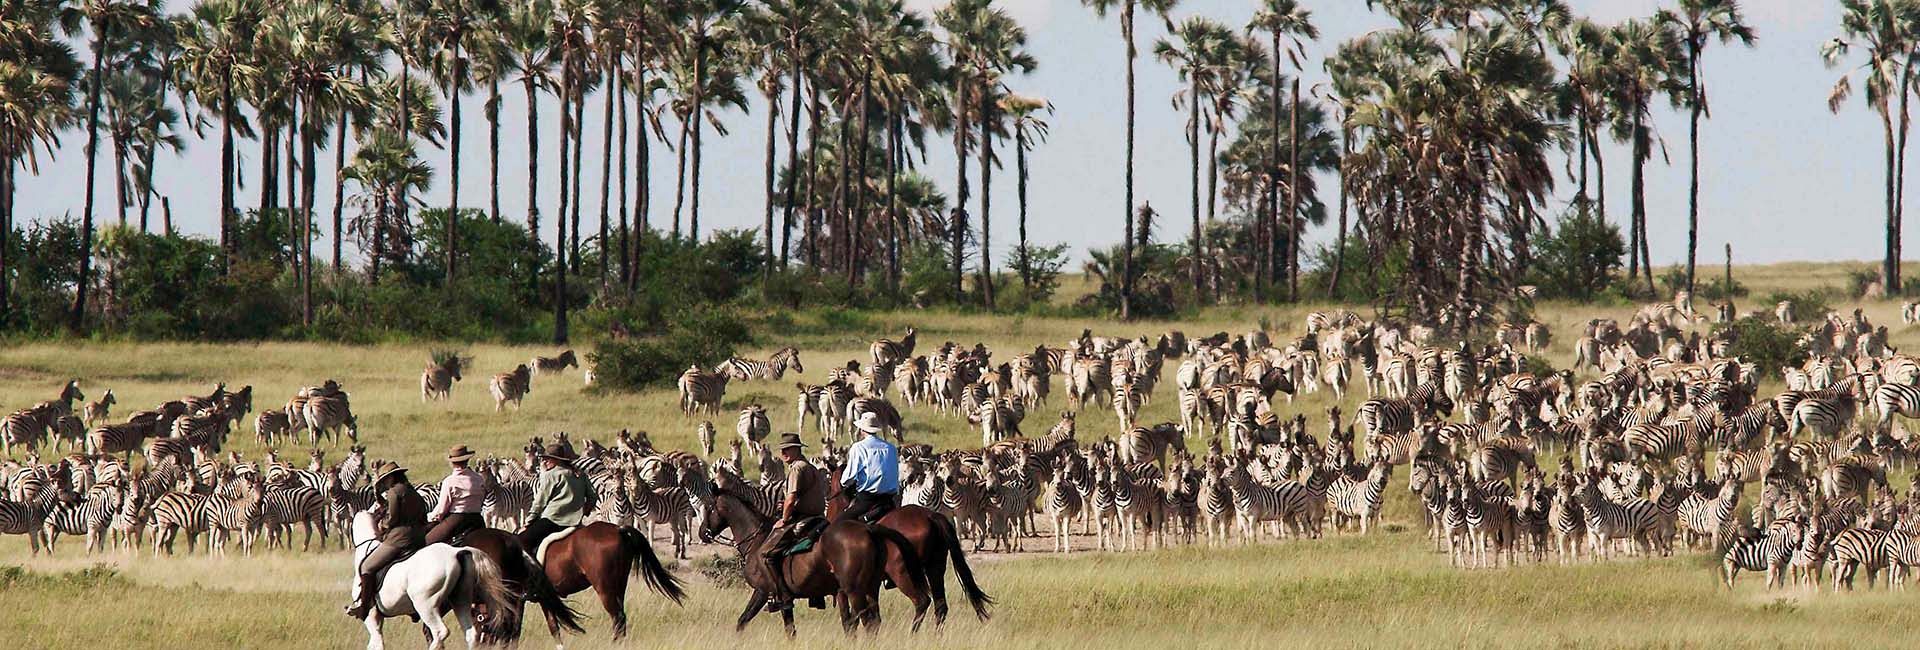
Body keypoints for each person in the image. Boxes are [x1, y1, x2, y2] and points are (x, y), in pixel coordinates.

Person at [346, 462, 428, 619]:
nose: (384, 483)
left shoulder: (394, 492)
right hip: (419, 537)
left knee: (366, 566)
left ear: (391, 477)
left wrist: (382, 526)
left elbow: (392, 518)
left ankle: (364, 606)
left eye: (385, 479)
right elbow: (423, 516)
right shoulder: (413, 491)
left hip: (399, 539)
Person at [758, 433, 826, 612]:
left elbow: (791, 497)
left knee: (766, 553)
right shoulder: (809, 466)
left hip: (803, 519)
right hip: (819, 518)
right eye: (782, 449)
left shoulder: (797, 468)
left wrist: (784, 519)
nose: (784, 452)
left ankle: (780, 596)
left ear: (797, 449)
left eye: (788, 448)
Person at [519, 442, 594, 554]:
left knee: (520, 542)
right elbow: (593, 497)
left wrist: (528, 522)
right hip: (576, 522)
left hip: (552, 520)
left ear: (557, 460)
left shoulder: (552, 475)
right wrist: (584, 512)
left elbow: (540, 502)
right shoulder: (580, 474)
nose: (544, 461)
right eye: (544, 459)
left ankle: (533, 570)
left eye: (548, 459)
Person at [836, 413, 900, 524]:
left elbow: (847, 479)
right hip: (890, 501)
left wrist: (843, 483)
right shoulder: (891, 448)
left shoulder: (859, 447)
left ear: (861, 430)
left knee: (838, 524)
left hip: (867, 500)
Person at [425, 445, 489, 545]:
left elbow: (441, 511)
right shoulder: (479, 479)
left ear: (452, 463)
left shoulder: (449, 481)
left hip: (456, 521)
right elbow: (483, 498)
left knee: (425, 542)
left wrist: (430, 517)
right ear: (467, 460)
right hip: (477, 520)